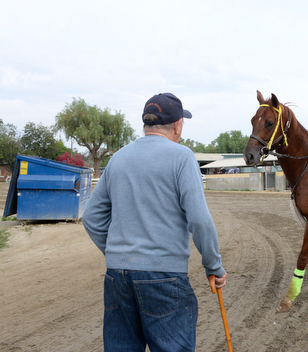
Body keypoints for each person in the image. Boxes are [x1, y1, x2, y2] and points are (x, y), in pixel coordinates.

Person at [83, 92, 227, 352]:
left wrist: (120, 252)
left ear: (146, 125)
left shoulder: (118, 158)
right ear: (177, 125)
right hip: (164, 277)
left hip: (117, 277)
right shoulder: (182, 157)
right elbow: (199, 220)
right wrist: (213, 266)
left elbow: (92, 217)